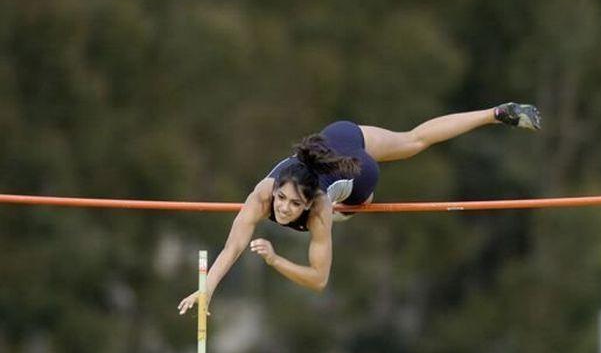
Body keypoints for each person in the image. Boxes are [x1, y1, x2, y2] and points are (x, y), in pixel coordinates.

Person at [178, 103, 541, 313]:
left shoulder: (320, 210)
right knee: (412, 139)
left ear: (310, 203)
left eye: (294, 204)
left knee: (370, 190)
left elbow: (319, 280)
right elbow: (234, 246)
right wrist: (207, 288)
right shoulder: (263, 193)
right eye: (282, 200)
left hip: (359, 175)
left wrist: (275, 260)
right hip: (339, 135)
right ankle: (496, 113)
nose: (285, 209)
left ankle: (494, 114)